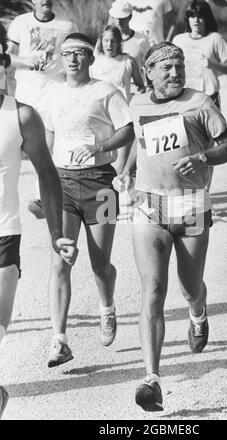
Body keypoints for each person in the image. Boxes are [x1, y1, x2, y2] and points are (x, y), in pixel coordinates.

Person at [115, 42, 227, 411]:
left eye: (179, 67)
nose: (174, 74)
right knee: (152, 288)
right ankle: (150, 379)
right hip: (149, 203)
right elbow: (141, 139)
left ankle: (198, 312)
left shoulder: (199, 103)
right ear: (148, 72)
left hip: (191, 205)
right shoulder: (137, 103)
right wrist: (126, 170)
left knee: (188, 287)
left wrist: (202, 156)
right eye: (166, 68)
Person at [44, 33, 134, 367]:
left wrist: (98, 148)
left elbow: (128, 129)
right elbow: (48, 141)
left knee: (100, 263)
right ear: (61, 58)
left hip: (101, 183)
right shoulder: (52, 95)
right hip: (63, 185)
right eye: (67, 53)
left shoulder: (106, 91)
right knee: (60, 260)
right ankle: (59, 341)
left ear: (90, 59)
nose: (72, 59)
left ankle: (107, 307)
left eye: (80, 53)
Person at [0, 29, 77, 419]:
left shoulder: (21, 115)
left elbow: (48, 177)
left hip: (3, 235)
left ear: (4, 68)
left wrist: (57, 234)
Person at [6, 0, 75, 218]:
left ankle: (42, 198)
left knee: (48, 146)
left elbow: (73, 56)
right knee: (15, 147)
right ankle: (7, 201)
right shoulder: (20, 22)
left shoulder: (67, 26)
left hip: (54, 92)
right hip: (27, 93)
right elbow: (7, 57)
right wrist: (26, 60)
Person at [172, 0, 227, 191]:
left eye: (200, 16)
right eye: (192, 16)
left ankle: (205, 192)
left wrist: (214, 64)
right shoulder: (179, 40)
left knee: (207, 150)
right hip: (183, 99)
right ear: (188, 19)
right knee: (182, 148)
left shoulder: (215, 39)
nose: (196, 20)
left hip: (208, 99)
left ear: (207, 18)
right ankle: (185, 190)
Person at [91, 25, 145, 104]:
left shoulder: (128, 61)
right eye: (106, 41)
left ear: (119, 42)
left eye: (113, 41)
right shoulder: (94, 62)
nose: (109, 45)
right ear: (101, 42)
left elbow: (141, 88)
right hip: (99, 110)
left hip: (121, 110)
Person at [108, 0, 151, 77]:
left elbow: (150, 66)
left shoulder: (142, 40)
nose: (118, 22)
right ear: (112, 17)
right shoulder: (105, 41)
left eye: (122, 18)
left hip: (135, 87)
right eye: (116, 18)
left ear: (130, 17)